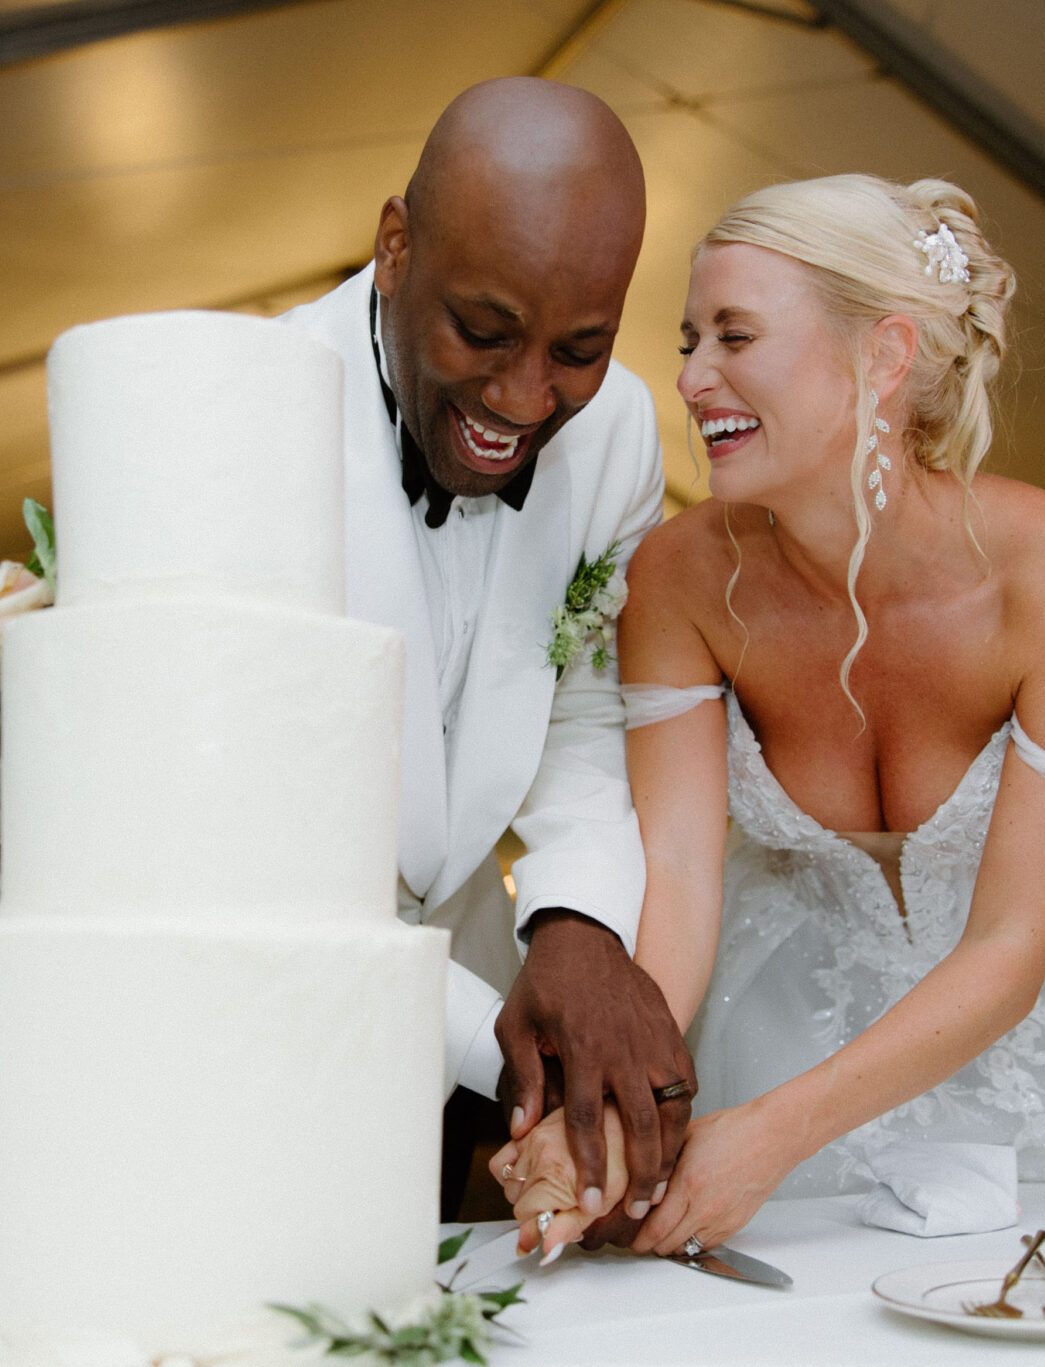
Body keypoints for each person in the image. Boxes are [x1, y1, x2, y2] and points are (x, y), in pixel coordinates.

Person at [496, 174, 1045, 1258]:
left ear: (884, 357)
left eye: (735, 336)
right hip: (795, 1008)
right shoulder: (680, 577)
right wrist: (614, 1106)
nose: (691, 379)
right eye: (689, 338)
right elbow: (683, 874)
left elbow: (1014, 943)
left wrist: (774, 1132)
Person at [280, 78, 691, 1241]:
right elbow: (263, 849)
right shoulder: (250, 424)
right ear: (395, 245)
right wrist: (505, 1039)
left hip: (428, 1045)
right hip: (240, 1026)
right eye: (484, 331)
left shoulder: (613, 438)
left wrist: (575, 922)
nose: (522, 399)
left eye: (579, 349)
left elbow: (581, 706)